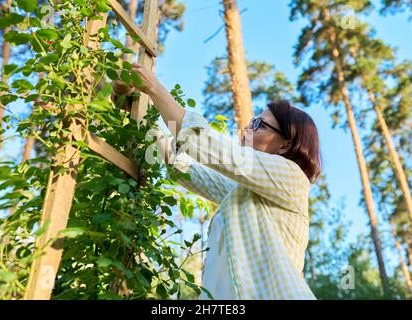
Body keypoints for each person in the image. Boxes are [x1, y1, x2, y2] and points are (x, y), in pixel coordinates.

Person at [112, 62, 322, 300]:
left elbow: (206, 145)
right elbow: (182, 167)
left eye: (258, 124)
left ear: (285, 144)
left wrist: (154, 88)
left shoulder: (292, 177)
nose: (246, 128)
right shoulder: (243, 193)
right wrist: (139, 110)